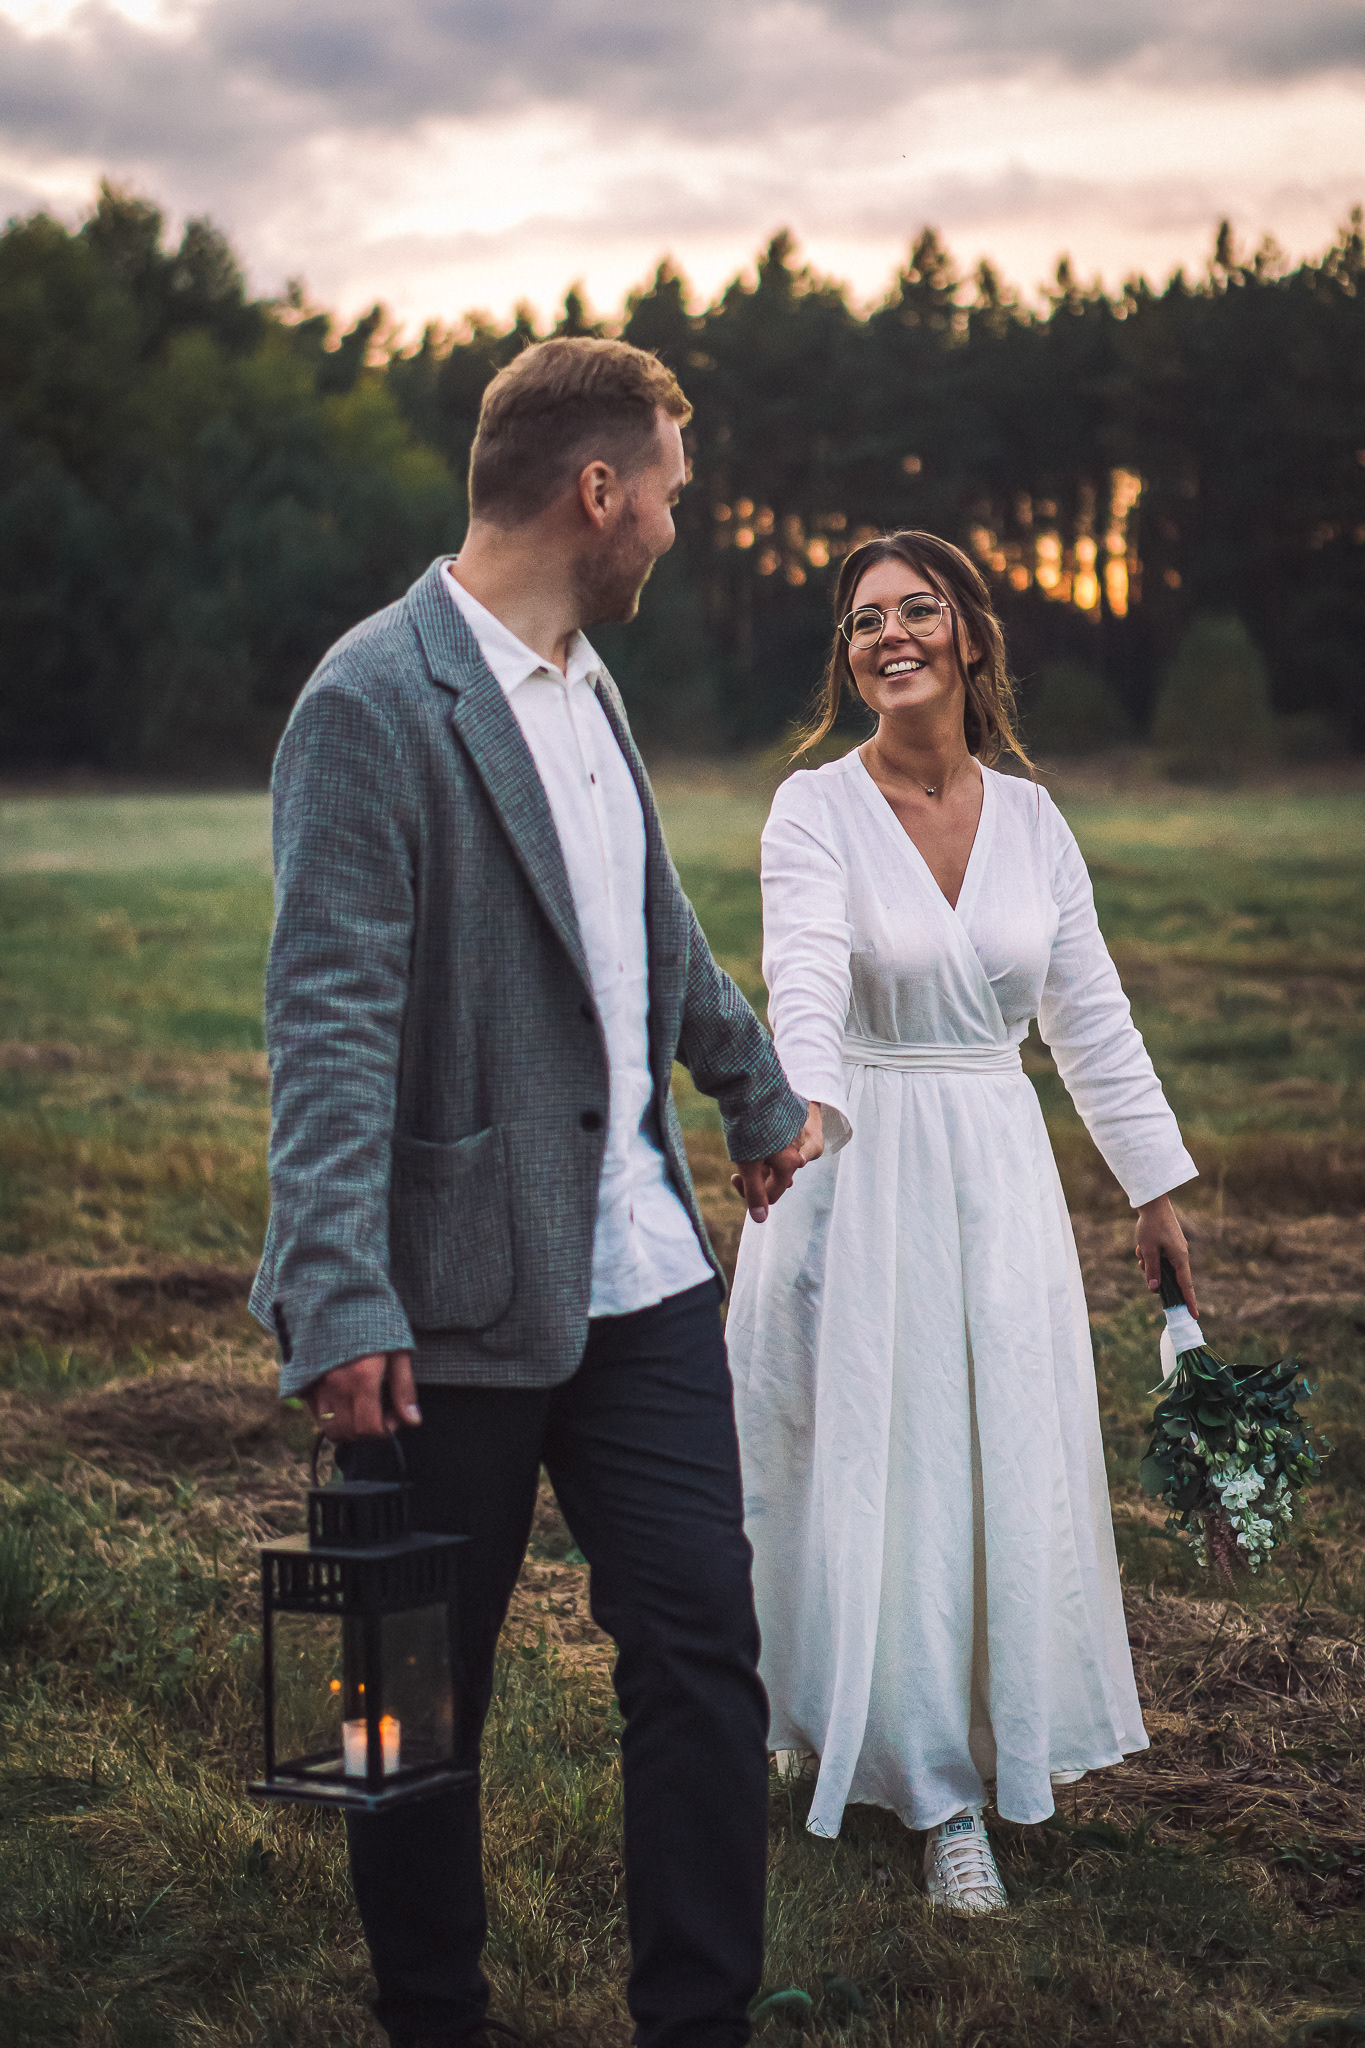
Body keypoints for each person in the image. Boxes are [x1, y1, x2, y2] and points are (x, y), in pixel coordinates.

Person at [250, 335, 822, 2048]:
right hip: (443, 1298)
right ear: (596, 491)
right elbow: (326, 1018)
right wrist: (335, 1287)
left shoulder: (588, 680)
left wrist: (749, 1087)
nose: (676, 523)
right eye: (669, 493)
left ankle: (696, 2021)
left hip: (641, 1274)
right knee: (408, 1690)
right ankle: (431, 2014)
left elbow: (648, 922)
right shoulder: (370, 701)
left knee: (701, 1648)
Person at [726, 530, 1200, 1914]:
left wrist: (1152, 1188)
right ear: (849, 657)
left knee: (981, 1457)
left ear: (970, 637)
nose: (889, 635)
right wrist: (800, 1110)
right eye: (864, 619)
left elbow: (1090, 1016)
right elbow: (803, 975)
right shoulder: (813, 809)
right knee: (872, 1459)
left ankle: (981, 1748)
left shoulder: (1034, 823)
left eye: (916, 610)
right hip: (854, 1162)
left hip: (993, 1167)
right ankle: (929, 1792)